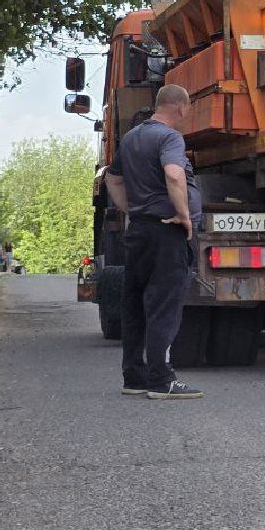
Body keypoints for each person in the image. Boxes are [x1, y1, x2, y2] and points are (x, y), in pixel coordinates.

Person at [105, 84, 204, 400]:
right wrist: (183, 214)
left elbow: (112, 178)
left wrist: (131, 208)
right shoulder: (170, 137)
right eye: (187, 109)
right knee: (164, 304)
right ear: (180, 107)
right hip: (166, 231)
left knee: (135, 302)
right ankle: (162, 379)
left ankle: (134, 376)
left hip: (140, 230)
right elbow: (174, 174)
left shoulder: (131, 137)